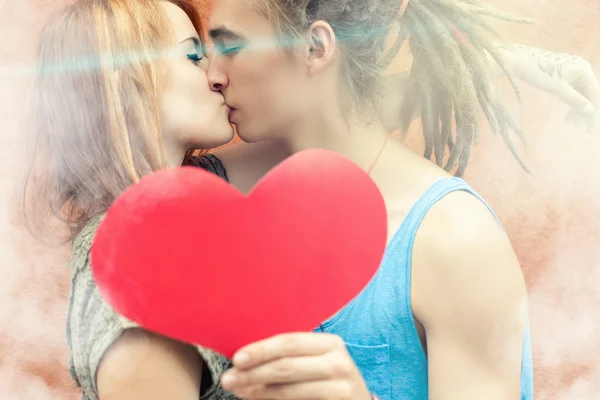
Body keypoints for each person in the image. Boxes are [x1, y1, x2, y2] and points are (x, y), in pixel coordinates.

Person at [25, 0, 600, 399]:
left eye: (226, 47)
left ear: (316, 47)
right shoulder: (204, 194)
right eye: (199, 52)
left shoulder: (451, 239)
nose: (215, 74)